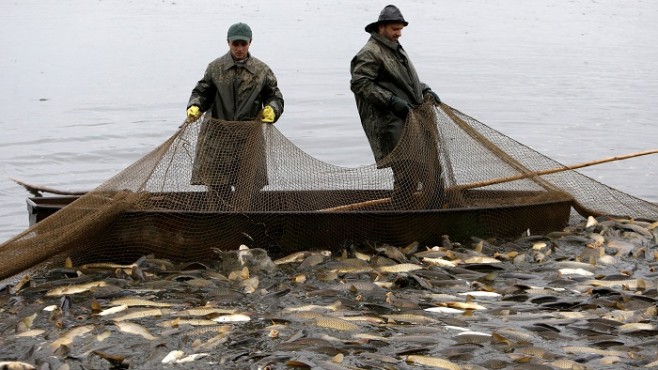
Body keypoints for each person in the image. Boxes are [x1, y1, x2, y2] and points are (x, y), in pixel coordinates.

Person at [350, 4, 443, 209]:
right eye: (394, 29)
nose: (399, 33)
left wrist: (425, 90)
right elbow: (360, 84)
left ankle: (428, 215)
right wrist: (391, 101)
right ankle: (399, 221)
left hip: (413, 123)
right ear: (381, 27)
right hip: (392, 126)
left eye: (401, 29)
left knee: (432, 171)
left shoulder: (395, 48)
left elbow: (407, 82)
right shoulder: (369, 53)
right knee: (407, 175)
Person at [186, 22, 284, 210]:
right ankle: (222, 222)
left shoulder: (261, 70)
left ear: (250, 43)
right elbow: (202, 92)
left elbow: (274, 95)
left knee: (249, 184)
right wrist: (195, 106)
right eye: (235, 44)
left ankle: (241, 220)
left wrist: (273, 108)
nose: (239, 49)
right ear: (228, 43)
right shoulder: (215, 68)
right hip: (217, 139)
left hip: (248, 139)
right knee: (216, 186)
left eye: (243, 44)